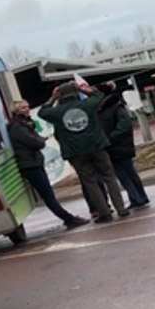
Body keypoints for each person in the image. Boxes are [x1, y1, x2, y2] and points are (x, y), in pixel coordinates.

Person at [37, 81, 128, 223]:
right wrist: (83, 89)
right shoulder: (88, 104)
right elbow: (99, 94)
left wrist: (53, 98)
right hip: (97, 146)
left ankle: (104, 213)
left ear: (60, 95)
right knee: (109, 176)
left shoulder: (57, 112)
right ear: (75, 92)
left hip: (76, 152)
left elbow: (42, 112)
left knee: (90, 182)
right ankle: (121, 208)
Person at [6, 100, 90, 229]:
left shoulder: (24, 124)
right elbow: (35, 142)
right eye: (23, 108)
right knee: (48, 195)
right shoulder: (17, 126)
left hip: (34, 162)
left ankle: (68, 218)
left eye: (27, 107)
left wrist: (39, 140)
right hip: (30, 165)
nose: (27, 109)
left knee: (48, 194)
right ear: (16, 110)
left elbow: (35, 139)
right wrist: (40, 141)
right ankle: (68, 219)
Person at [97, 82, 150, 210]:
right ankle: (136, 197)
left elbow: (124, 125)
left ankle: (139, 197)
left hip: (119, 146)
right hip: (111, 147)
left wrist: (110, 139)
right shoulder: (101, 109)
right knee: (123, 175)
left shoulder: (116, 106)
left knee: (128, 174)